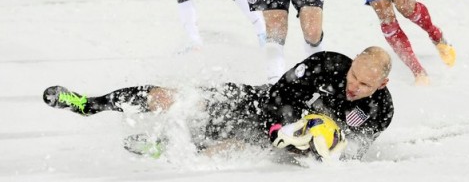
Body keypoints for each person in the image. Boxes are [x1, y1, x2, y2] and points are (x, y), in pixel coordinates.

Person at [43, 46, 394, 162]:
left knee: (229, 149)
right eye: (353, 76)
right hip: (261, 104)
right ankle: (90, 104)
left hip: (280, 142)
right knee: (179, 97)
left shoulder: (379, 112)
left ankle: (168, 147)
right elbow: (279, 94)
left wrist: (309, 148)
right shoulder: (327, 63)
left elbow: (350, 152)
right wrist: (278, 126)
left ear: (382, 84)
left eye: (364, 85)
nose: (353, 86)